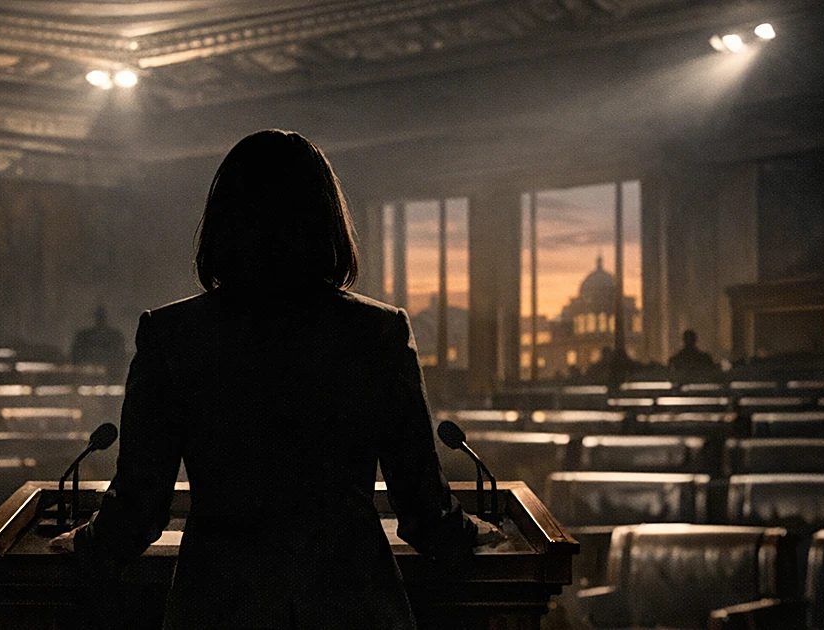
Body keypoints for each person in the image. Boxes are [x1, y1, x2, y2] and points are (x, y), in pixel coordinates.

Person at [50, 129, 496, 629]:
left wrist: (87, 544)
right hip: (351, 604)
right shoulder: (379, 331)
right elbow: (419, 501)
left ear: (222, 222)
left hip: (219, 605)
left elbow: (141, 501)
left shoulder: (171, 335)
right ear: (326, 220)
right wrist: (466, 535)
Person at [70, 304, 128, 382]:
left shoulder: (114, 336)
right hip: (87, 375)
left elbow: (120, 357)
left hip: (105, 376)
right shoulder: (84, 336)